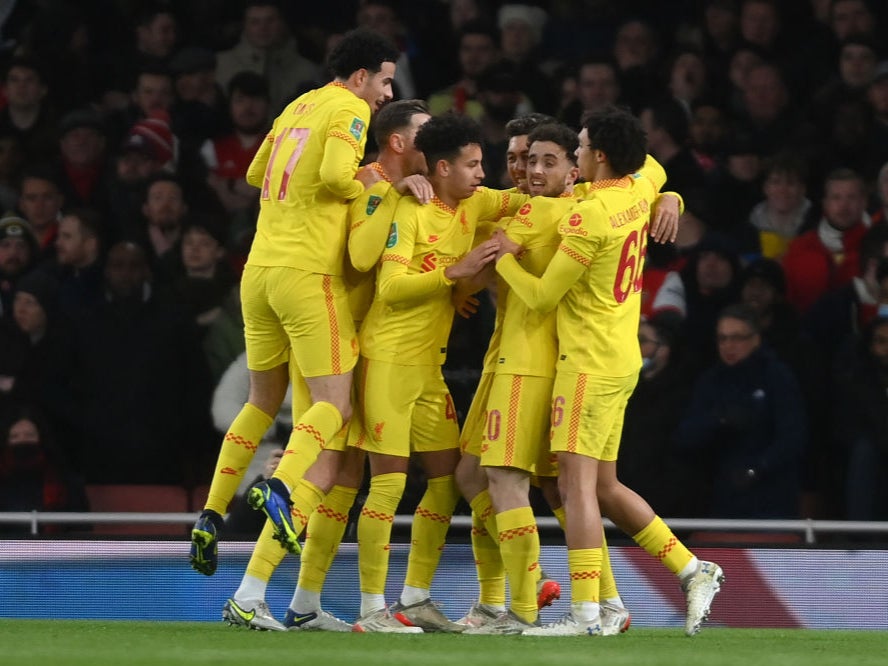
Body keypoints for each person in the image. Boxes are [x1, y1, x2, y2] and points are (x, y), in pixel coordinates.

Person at [494, 106, 723, 636]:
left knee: (575, 488)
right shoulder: (636, 192)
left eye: (577, 148)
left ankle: (586, 613)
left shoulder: (588, 214)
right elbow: (657, 172)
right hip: (622, 358)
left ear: (598, 156)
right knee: (603, 486)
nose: (573, 155)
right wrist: (673, 197)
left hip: (588, 362)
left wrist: (501, 257)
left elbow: (543, 295)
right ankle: (692, 569)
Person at [189, 27, 398, 585]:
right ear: (360, 77)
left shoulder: (297, 105)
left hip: (256, 272)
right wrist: (370, 179)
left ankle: (211, 513)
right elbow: (334, 175)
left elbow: (256, 174)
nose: (386, 95)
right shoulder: (349, 110)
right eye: (384, 81)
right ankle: (276, 487)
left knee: (259, 403)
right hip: (307, 274)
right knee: (334, 405)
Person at [221, 99, 433, 634]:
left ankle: (302, 602)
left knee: (339, 476)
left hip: (345, 335)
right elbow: (361, 258)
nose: (436, 145)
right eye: (426, 134)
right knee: (323, 472)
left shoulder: (388, 184)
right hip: (331, 332)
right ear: (398, 142)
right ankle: (256, 592)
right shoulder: (367, 181)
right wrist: (388, 196)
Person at [351, 112, 525, 633]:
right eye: (472, 165)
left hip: (429, 368)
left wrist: (660, 193)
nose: (482, 174)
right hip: (387, 362)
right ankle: (370, 609)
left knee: (447, 481)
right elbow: (390, 289)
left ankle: (415, 596)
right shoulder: (411, 208)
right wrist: (454, 273)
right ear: (443, 167)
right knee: (386, 486)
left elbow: (536, 203)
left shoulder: (477, 202)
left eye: (483, 164)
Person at [675, 303, 807, 519]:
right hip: (718, 496)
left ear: (756, 339)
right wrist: (719, 420)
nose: (729, 345)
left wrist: (758, 468)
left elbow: (793, 437)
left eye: (737, 338)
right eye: (722, 338)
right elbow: (684, 436)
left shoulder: (777, 376)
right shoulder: (710, 380)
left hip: (772, 496)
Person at [215, 0, 321, 117]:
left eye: (270, 21)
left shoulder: (308, 71)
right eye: (255, 22)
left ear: (282, 23)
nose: (263, 28)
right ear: (245, 25)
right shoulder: (221, 66)